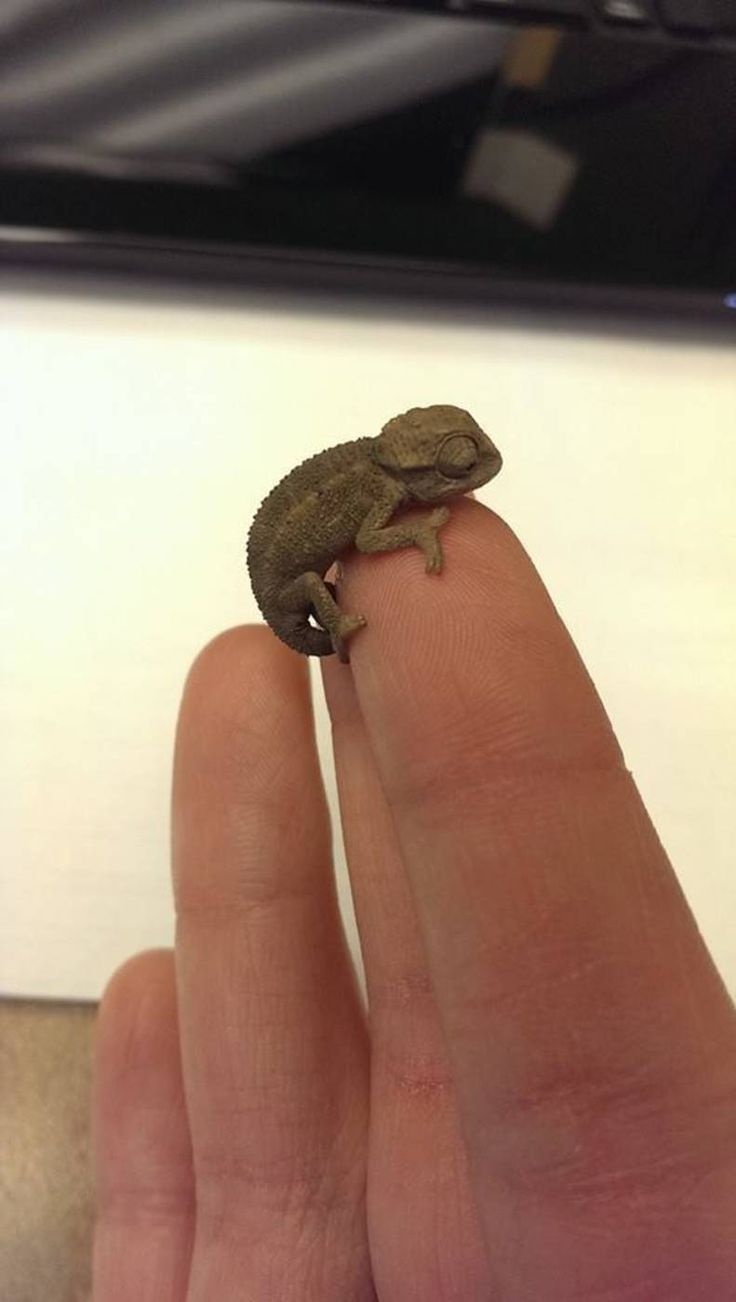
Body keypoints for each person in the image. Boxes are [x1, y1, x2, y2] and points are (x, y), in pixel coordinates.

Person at [90, 502, 736, 1300]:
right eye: (457, 465)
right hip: (290, 581)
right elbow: (363, 540)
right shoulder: (375, 497)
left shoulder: (381, 479)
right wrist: (386, 566)